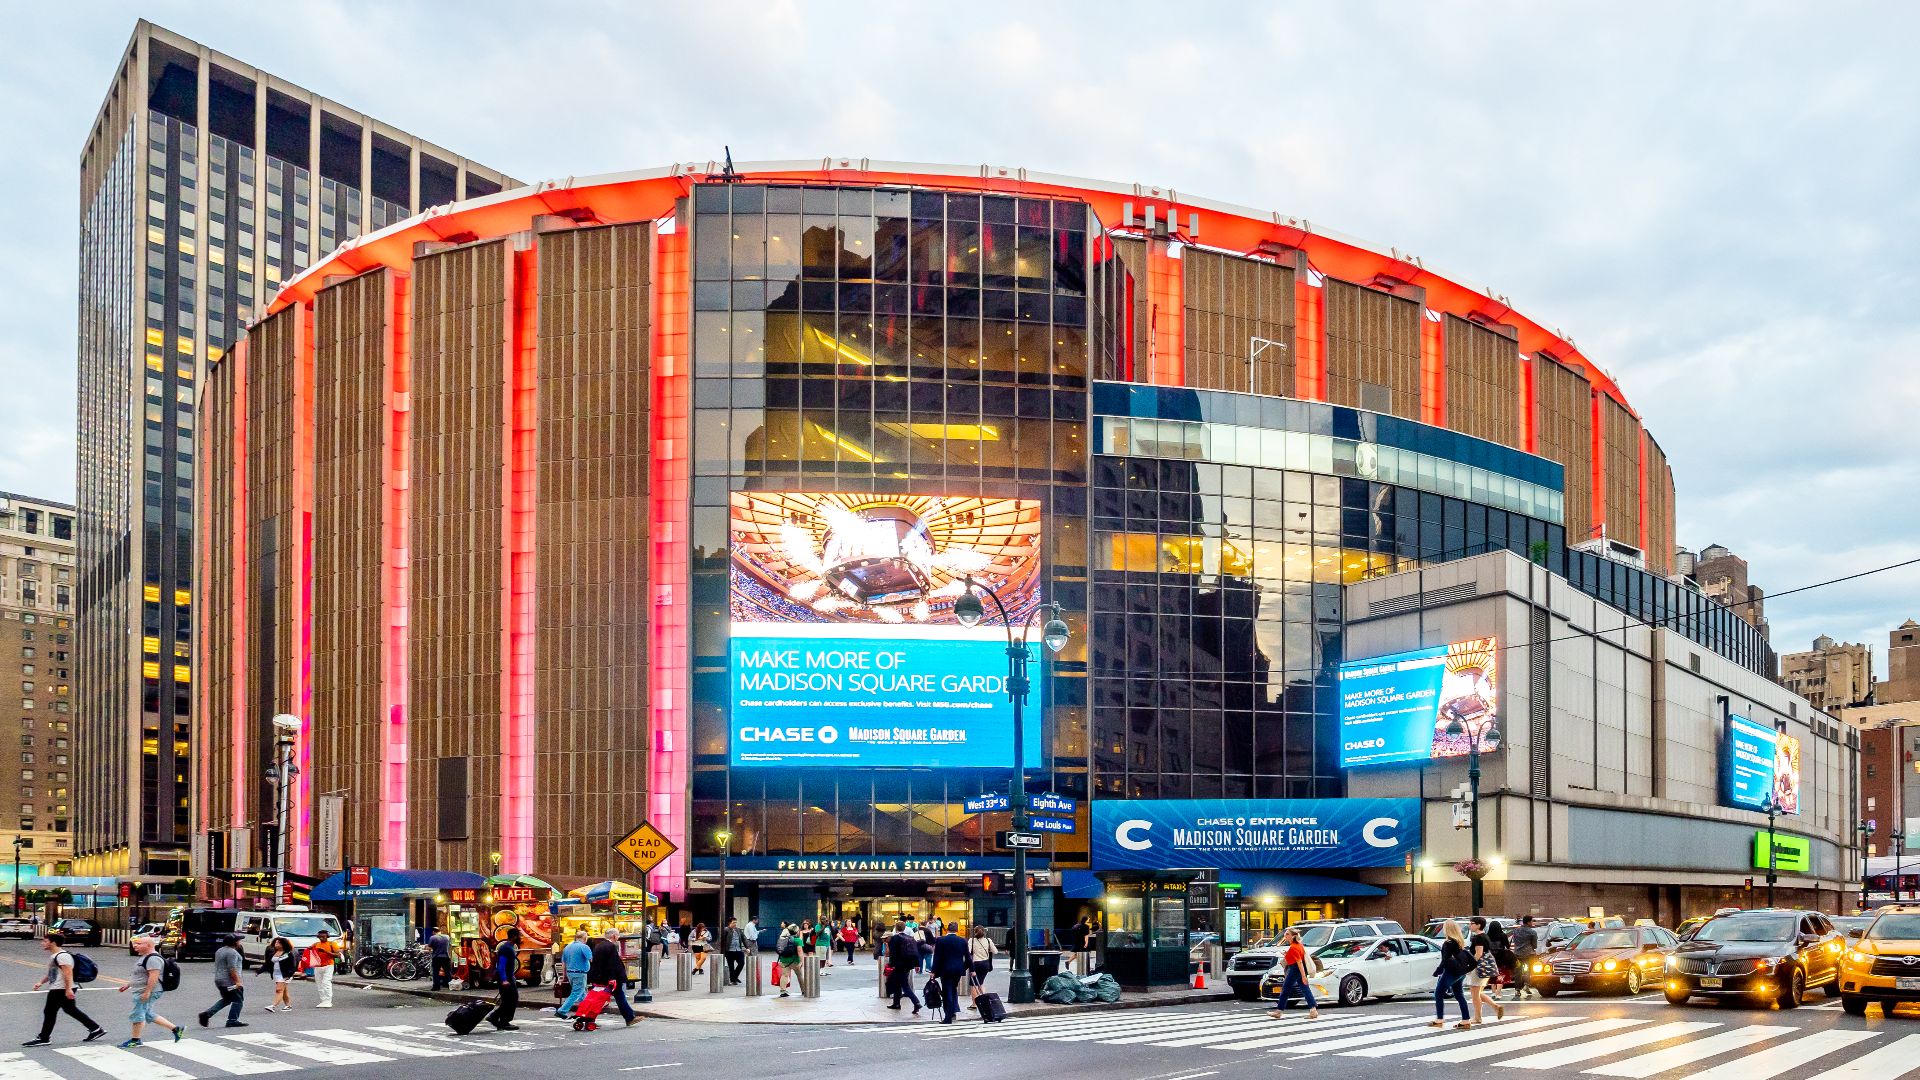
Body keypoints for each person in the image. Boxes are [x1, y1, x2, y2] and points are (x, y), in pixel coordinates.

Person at [24, 935, 105, 1045]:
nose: (42, 943)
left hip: (61, 988)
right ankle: (96, 1029)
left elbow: (68, 973)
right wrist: (41, 982)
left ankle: (44, 1038)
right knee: (70, 1009)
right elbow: (53, 973)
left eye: (45, 941)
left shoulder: (62, 956)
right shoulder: (56, 956)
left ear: (53, 943)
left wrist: (68, 990)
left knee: (49, 1011)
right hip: (60, 987)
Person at [116, 937, 181, 1048]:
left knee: (138, 1014)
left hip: (147, 991)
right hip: (142, 990)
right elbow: (140, 975)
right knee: (147, 1013)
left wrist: (147, 992)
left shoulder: (153, 959)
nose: (135, 946)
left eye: (138, 944)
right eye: (135, 944)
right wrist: (128, 985)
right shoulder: (145, 957)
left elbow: (153, 977)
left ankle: (135, 1040)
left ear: (148, 945)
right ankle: (176, 1029)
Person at [195, 934, 247, 1029]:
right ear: (235, 942)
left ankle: (206, 1014)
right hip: (229, 981)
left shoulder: (220, 950)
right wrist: (238, 982)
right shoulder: (232, 953)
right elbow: (232, 969)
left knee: (227, 999)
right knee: (238, 1000)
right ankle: (232, 1020)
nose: (240, 942)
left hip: (219, 979)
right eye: (239, 940)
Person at [1265, 928, 1318, 1019]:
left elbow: (1299, 962)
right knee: (1305, 989)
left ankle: (1279, 1011)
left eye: (1287, 934)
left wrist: (1303, 976)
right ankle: (1313, 1010)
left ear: (1293, 936)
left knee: (1285, 989)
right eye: (1285, 934)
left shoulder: (1294, 947)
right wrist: (1287, 954)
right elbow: (1297, 958)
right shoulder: (1298, 945)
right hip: (1297, 969)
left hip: (1295, 969)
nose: (1285, 936)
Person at [588, 928, 637, 1027]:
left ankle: (589, 1018)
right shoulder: (610, 946)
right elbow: (612, 964)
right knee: (618, 997)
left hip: (600, 977)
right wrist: (612, 978)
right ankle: (629, 1018)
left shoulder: (599, 945)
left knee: (602, 998)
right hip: (610, 978)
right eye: (618, 935)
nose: (618, 937)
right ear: (614, 936)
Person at [1430, 920, 1471, 1029]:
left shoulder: (1447, 943)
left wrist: (1438, 971)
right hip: (1460, 972)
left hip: (1450, 972)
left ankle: (1439, 1019)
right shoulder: (1459, 942)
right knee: (1459, 995)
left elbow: (1445, 960)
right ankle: (1466, 1020)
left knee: (1438, 993)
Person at [1465, 917, 1504, 1025]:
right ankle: (1495, 1006)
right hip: (1485, 968)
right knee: (1477, 993)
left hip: (1478, 968)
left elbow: (1478, 953)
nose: (1470, 925)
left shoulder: (1478, 938)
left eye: (1472, 923)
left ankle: (1478, 1017)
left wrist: (1469, 967)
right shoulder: (1485, 936)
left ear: (1478, 925)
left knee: (1475, 994)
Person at [931, 924, 969, 1024]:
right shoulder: (963, 940)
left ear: (947, 929)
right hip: (958, 970)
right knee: (953, 989)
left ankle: (948, 1016)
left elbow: (937, 957)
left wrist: (933, 971)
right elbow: (968, 957)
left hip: (945, 969)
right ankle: (953, 1011)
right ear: (956, 930)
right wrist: (968, 968)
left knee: (947, 992)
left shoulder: (941, 940)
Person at [883, 922, 922, 1015]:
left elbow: (893, 953)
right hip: (908, 965)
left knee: (905, 985)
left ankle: (916, 1002)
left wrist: (891, 964)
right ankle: (896, 1003)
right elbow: (915, 952)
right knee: (897, 984)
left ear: (896, 928)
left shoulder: (895, 938)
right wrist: (917, 965)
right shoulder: (911, 938)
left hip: (898, 965)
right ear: (905, 928)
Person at [488, 928, 521, 1031]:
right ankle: (502, 1020)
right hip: (505, 978)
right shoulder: (506, 948)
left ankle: (496, 1018)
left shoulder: (509, 947)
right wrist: (504, 979)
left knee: (509, 999)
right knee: (510, 999)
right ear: (514, 936)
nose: (521, 937)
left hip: (509, 976)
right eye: (519, 935)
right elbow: (501, 965)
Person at [555, 930, 593, 1018]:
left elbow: (563, 963)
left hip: (570, 973)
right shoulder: (584, 947)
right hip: (580, 973)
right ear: (585, 938)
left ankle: (584, 1012)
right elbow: (591, 959)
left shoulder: (567, 947)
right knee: (576, 993)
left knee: (582, 994)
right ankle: (562, 1010)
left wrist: (564, 976)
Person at [1508, 917, 1539, 1001]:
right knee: (1529, 969)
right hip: (1529, 954)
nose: (1532, 922)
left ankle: (1517, 990)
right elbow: (1535, 945)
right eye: (1532, 921)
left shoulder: (1516, 931)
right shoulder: (1532, 932)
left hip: (1517, 953)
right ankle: (1527, 985)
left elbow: (1514, 941)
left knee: (1518, 971)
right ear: (1528, 922)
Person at [262, 937, 295, 1012]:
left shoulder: (288, 954)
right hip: (277, 974)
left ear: (283, 944)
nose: (276, 944)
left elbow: (293, 966)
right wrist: (259, 971)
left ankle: (273, 1006)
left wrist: (289, 975)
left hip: (285, 975)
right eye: (276, 942)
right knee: (284, 990)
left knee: (279, 990)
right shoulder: (273, 953)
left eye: (279, 943)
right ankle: (288, 1006)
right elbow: (267, 964)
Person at [307, 929, 339, 1008]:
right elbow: (309, 950)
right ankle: (323, 1000)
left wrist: (325, 951)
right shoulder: (316, 944)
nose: (321, 938)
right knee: (319, 984)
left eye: (323, 937)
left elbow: (337, 955)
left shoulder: (332, 944)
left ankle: (328, 1001)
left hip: (328, 965)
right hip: (317, 966)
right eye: (320, 937)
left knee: (326, 983)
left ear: (327, 936)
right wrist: (310, 948)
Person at [966, 924, 997, 1006]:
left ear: (974, 932)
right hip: (985, 964)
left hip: (975, 964)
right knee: (981, 982)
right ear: (984, 932)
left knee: (974, 984)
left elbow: (968, 951)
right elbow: (995, 951)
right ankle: (984, 1001)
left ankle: (974, 1004)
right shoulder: (988, 940)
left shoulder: (971, 940)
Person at [774, 922, 800, 997]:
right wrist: (801, 962)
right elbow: (800, 952)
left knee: (784, 975)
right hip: (794, 960)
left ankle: (782, 991)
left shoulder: (783, 937)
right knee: (800, 975)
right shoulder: (797, 940)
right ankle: (804, 990)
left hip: (783, 959)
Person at [721, 917, 749, 985]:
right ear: (730, 923)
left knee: (741, 963)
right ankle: (733, 980)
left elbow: (744, 938)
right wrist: (723, 951)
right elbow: (722, 940)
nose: (735, 924)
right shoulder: (726, 930)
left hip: (738, 949)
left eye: (736, 922)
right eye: (733, 922)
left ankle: (734, 977)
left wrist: (747, 947)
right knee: (731, 966)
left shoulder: (738, 930)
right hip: (729, 950)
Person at [428, 926, 454, 991]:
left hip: (436, 957)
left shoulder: (432, 937)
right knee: (448, 972)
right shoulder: (447, 937)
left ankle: (436, 987)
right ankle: (450, 985)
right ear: (440, 931)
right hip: (446, 957)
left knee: (436, 972)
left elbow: (429, 948)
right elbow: (450, 946)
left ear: (433, 932)